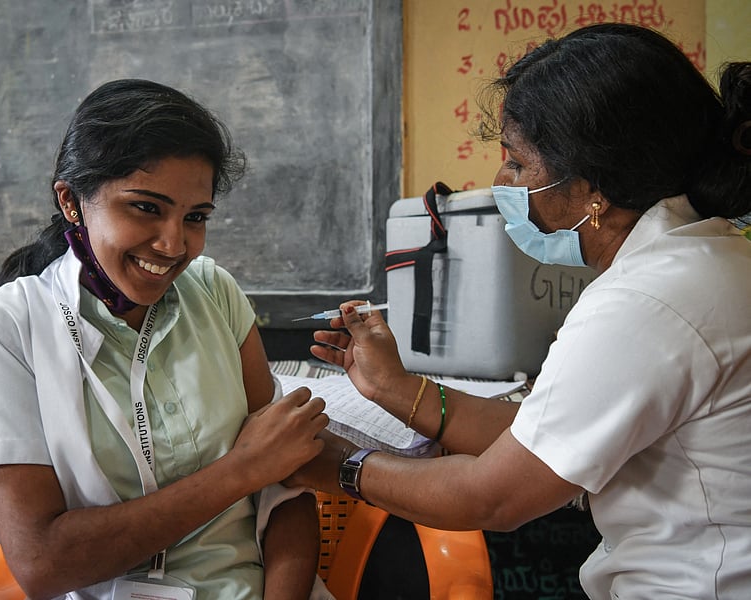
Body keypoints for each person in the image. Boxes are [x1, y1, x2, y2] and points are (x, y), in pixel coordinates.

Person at [290, 24, 751, 599]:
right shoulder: (709, 257)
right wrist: (395, 388)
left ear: (592, 187)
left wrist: (340, 465)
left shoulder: (647, 301)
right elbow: (542, 438)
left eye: (516, 163)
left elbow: (495, 495)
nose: (500, 182)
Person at [0, 79, 332, 600]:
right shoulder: (4, 328)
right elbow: (43, 562)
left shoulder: (215, 293)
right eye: (146, 208)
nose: (174, 244)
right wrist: (241, 470)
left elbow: (286, 488)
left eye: (195, 217)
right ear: (71, 201)